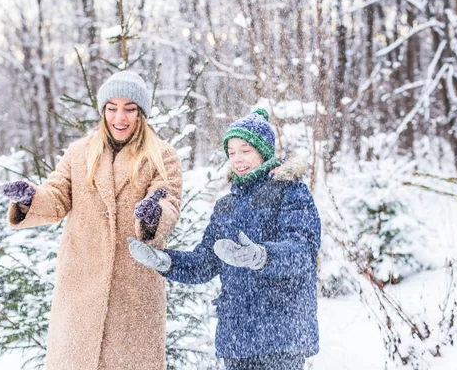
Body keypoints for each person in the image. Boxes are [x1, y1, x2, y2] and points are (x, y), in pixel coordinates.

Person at [0, 70, 183, 370]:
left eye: (129, 109)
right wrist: (29, 198)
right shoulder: (79, 153)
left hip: (133, 294)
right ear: (102, 111)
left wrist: (153, 215)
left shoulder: (162, 156)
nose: (119, 118)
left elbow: (169, 202)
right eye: (112, 108)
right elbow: (56, 196)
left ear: (142, 113)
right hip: (80, 289)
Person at [128, 108, 321, 370]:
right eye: (231, 153)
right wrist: (165, 260)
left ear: (263, 151)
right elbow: (205, 262)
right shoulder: (227, 206)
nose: (237, 159)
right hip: (237, 338)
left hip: (281, 336)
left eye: (245, 150)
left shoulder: (291, 192)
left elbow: (302, 252)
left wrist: (262, 256)